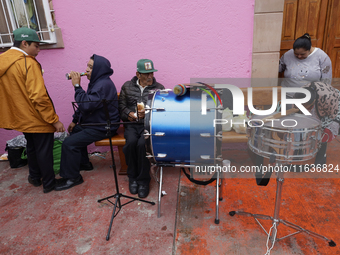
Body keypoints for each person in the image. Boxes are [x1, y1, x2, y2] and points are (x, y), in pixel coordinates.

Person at [0, 27, 65, 193]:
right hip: (37, 117)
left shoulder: (4, 61)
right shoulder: (27, 63)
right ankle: (49, 184)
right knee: (44, 151)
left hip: (21, 116)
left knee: (32, 147)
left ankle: (35, 177)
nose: (38, 49)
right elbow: (39, 97)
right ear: (24, 43)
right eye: (36, 45)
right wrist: (54, 120)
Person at [55, 54, 120, 191]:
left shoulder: (103, 84)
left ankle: (73, 177)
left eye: (91, 67)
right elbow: (87, 104)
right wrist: (74, 120)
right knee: (76, 131)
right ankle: (84, 163)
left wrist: (77, 86)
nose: (87, 70)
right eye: (87, 66)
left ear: (99, 69)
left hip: (104, 126)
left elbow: (86, 105)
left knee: (69, 143)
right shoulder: (97, 81)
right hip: (95, 123)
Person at [119, 59, 164, 198]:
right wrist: (129, 114)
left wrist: (149, 114)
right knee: (131, 143)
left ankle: (144, 181)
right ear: (138, 74)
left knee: (142, 145)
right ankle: (133, 178)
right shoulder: (127, 86)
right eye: (146, 74)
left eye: (151, 73)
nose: (150, 76)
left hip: (149, 125)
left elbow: (163, 111)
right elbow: (121, 108)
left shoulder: (159, 88)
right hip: (132, 124)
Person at [293, 82, 340, 166]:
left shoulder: (328, 99)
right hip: (318, 103)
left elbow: (332, 116)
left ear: (312, 104)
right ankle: (298, 152)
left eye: (306, 107)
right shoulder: (298, 95)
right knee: (301, 128)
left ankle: (321, 157)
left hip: (334, 105)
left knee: (324, 132)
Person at [279, 33, 332, 100]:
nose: (299, 56)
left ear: (309, 49)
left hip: (310, 99)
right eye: (296, 54)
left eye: (302, 54)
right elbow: (278, 68)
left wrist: (321, 97)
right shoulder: (288, 55)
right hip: (288, 95)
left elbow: (326, 81)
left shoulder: (322, 57)